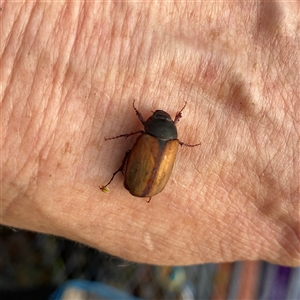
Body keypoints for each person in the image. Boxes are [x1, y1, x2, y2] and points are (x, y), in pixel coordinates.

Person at [1, 1, 299, 266]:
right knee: (129, 154)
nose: (160, 115)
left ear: (153, 125)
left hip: (143, 177)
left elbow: (131, 140)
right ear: (172, 130)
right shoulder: (170, 143)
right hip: (148, 183)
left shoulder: (152, 136)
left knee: (128, 150)